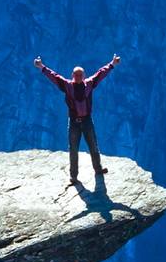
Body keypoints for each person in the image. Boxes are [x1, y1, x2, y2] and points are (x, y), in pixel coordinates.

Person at [34, 53, 121, 186]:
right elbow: (54, 76)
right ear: (72, 76)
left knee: (93, 146)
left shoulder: (89, 84)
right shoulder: (67, 86)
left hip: (87, 121)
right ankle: (73, 176)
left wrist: (112, 64)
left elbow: (101, 73)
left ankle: (98, 170)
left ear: (84, 76)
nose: (79, 77)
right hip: (74, 122)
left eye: (81, 75)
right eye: (76, 75)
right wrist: (41, 67)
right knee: (73, 149)